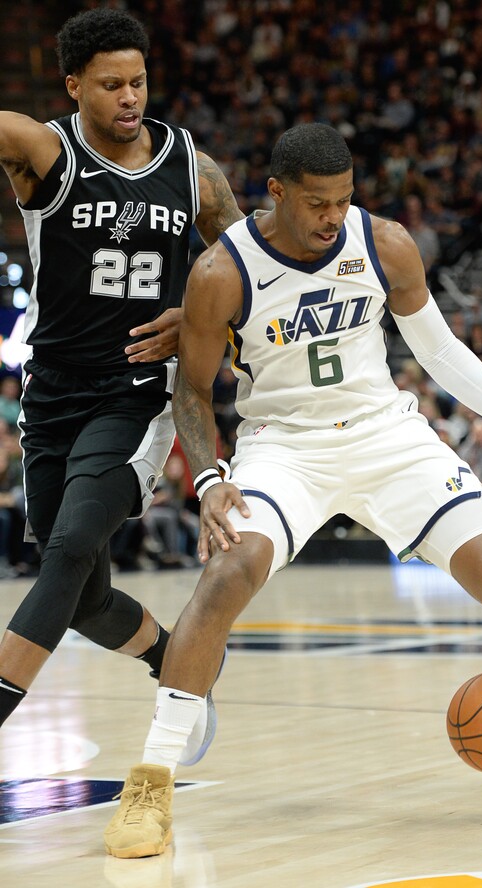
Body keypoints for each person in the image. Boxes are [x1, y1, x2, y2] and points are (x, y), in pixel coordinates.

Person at [104, 123, 482, 859]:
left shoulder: (383, 244)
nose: (330, 217)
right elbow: (192, 391)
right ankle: (153, 778)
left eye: (343, 200)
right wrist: (213, 480)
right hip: (285, 445)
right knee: (224, 576)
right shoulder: (222, 273)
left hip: (389, 435)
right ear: (277, 194)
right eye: (316, 203)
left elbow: (438, 347)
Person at [0, 8, 243, 764]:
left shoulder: (191, 167)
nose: (129, 97)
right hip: (53, 395)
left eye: (138, 81)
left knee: (69, 548)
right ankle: (181, 661)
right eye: (110, 85)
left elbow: (248, 267)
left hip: (136, 393)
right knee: (84, 598)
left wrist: (204, 319)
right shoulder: (45, 149)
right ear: (74, 87)